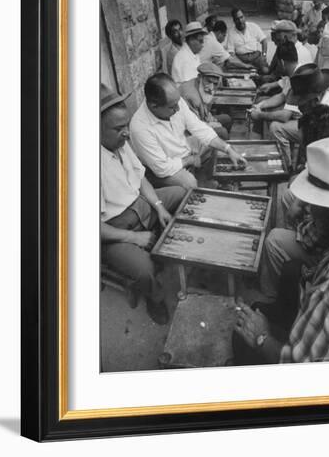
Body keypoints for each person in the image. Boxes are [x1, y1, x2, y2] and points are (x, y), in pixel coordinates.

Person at [233, 137, 329, 364]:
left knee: (241, 337)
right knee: (292, 269)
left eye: (313, 205)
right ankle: (285, 313)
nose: (307, 208)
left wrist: (261, 337)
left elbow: (299, 368)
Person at [100, 85, 185, 325]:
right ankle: (154, 297)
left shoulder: (121, 143)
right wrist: (132, 238)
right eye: (118, 128)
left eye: (126, 125)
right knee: (145, 270)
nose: (127, 133)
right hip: (113, 231)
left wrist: (159, 206)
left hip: (141, 207)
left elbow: (141, 179)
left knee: (180, 193)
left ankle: (159, 237)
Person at [260, 107, 329, 302]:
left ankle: (273, 298)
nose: (300, 147)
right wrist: (298, 205)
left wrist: (300, 229)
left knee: (273, 240)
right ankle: (290, 252)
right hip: (328, 230)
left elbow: (320, 235)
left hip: (328, 248)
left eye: (302, 142)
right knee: (290, 196)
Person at [130, 73, 247, 190]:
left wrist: (228, 149)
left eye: (177, 103)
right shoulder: (139, 128)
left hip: (184, 148)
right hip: (163, 168)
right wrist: (189, 160)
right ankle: (201, 186)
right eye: (172, 107)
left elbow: (200, 128)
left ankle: (208, 179)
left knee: (217, 138)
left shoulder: (175, 101)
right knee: (189, 182)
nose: (178, 109)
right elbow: (162, 168)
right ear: (154, 106)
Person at [253, 63, 329, 170]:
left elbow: (325, 160)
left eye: (301, 104)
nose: (299, 107)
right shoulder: (323, 104)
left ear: (315, 100)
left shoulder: (328, 116)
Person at [179, 62, 232, 140]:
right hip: (186, 131)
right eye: (209, 81)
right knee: (222, 132)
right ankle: (223, 147)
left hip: (200, 120)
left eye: (215, 83)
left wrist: (211, 120)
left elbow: (205, 111)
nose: (211, 87)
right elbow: (193, 126)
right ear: (200, 77)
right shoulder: (191, 96)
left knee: (227, 119)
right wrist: (211, 124)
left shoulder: (200, 84)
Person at [226, 8, 268, 72]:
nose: (240, 21)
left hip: (256, 56)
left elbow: (264, 41)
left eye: (241, 17)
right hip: (241, 58)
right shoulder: (231, 32)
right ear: (234, 21)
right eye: (237, 19)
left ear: (244, 17)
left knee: (265, 70)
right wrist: (241, 64)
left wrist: (264, 55)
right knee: (234, 70)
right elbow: (231, 53)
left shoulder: (253, 26)